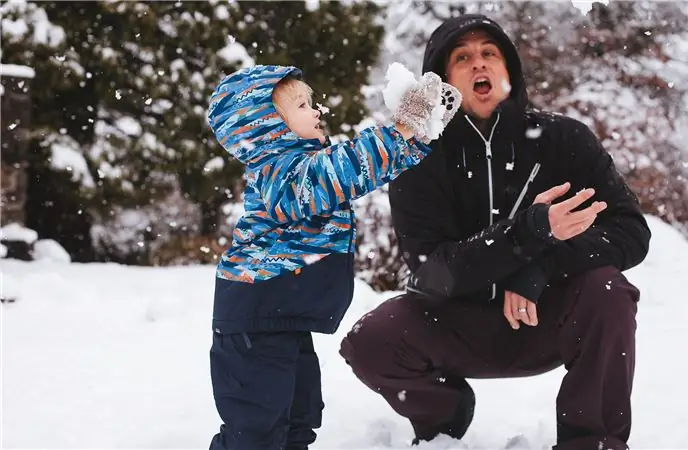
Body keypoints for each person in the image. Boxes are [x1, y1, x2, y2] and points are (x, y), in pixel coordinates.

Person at [339, 14, 651, 450]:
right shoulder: (419, 158)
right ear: (443, 80)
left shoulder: (565, 140)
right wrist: (527, 233)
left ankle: (592, 441)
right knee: (371, 341)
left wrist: (540, 268)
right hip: (457, 322)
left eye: (490, 53)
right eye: (462, 57)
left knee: (609, 291)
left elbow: (631, 232)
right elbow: (431, 272)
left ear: (509, 70)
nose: (478, 64)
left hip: (546, 316)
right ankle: (444, 414)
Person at [205, 64, 459, 450]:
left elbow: (353, 171)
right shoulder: (278, 173)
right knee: (256, 429)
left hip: (280, 319)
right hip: (254, 323)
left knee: (298, 418)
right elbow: (341, 172)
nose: (318, 110)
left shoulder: (299, 166)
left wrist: (412, 138)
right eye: (304, 105)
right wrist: (399, 131)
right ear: (266, 125)